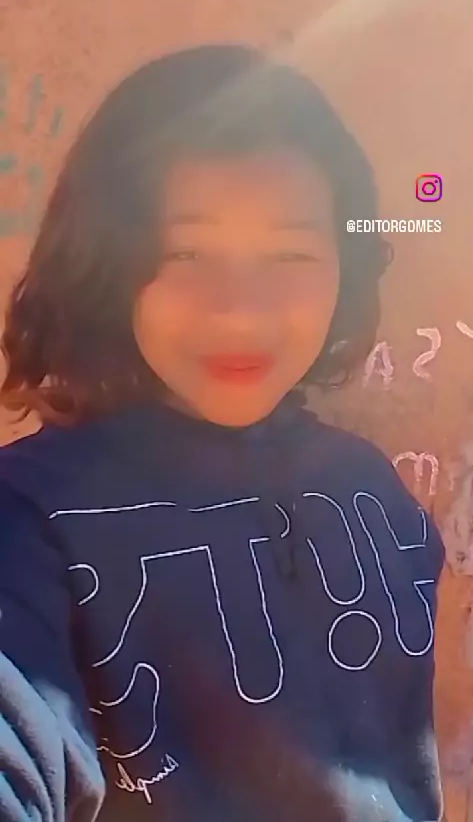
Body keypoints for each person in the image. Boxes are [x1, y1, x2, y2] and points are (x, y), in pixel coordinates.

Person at [0, 44, 444, 822]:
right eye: (186, 251)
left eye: (291, 253)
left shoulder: (373, 492)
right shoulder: (32, 519)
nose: (240, 310)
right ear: (107, 263)